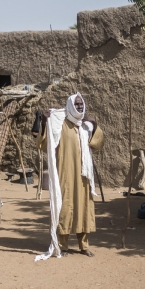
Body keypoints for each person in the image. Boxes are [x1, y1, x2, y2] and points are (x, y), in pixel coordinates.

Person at [35, 93, 104, 260]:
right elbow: (43, 143)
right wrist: (45, 121)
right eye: (77, 104)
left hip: (83, 176)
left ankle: (84, 245)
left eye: (81, 104)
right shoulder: (59, 123)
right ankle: (63, 245)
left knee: (84, 208)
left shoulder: (86, 125)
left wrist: (94, 125)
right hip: (65, 172)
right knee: (65, 207)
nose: (80, 106)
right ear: (70, 105)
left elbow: (97, 144)